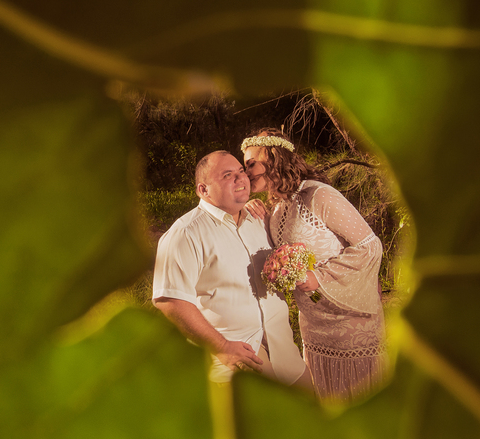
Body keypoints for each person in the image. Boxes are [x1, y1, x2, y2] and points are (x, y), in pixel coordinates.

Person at [242, 130, 387, 400]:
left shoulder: (319, 196)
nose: (246, 171)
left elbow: (369, 245)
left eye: (251, 163)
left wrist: (318, 277)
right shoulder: (275, 208)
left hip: (348, 323)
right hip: (313, 327)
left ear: (273, 157)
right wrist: (259, 219)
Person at [152, 150, 312, 389]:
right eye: (228, 175)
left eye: (241, 171)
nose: (241, 179)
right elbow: (169, 299)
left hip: (284, 349)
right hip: (236, 356)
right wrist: (222, 347)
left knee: (315, 415)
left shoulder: (258, 219)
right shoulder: (185, 233)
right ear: (203, 190)